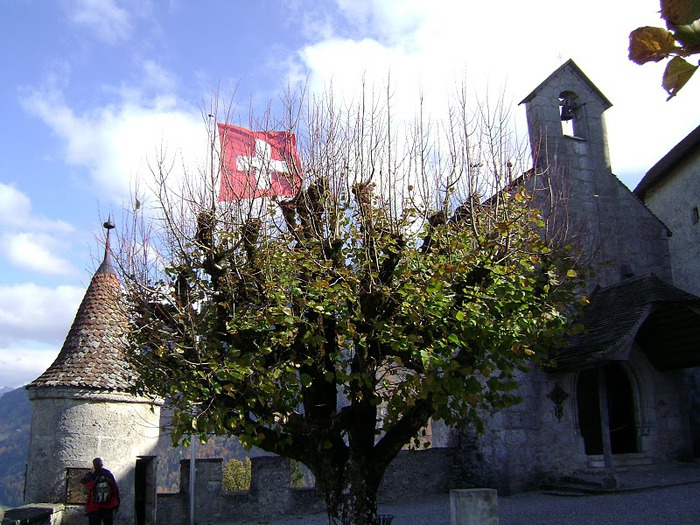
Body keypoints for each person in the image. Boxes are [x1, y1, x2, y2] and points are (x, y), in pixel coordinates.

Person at [80, 458, 120, 525]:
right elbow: (114, 489)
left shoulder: (92, 476)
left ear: (94, 465)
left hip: (94, 506)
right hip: (108, 505)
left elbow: (84, 482)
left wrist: (90, 472)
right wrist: (117, 503)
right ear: (102, 464)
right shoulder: (108, 474)